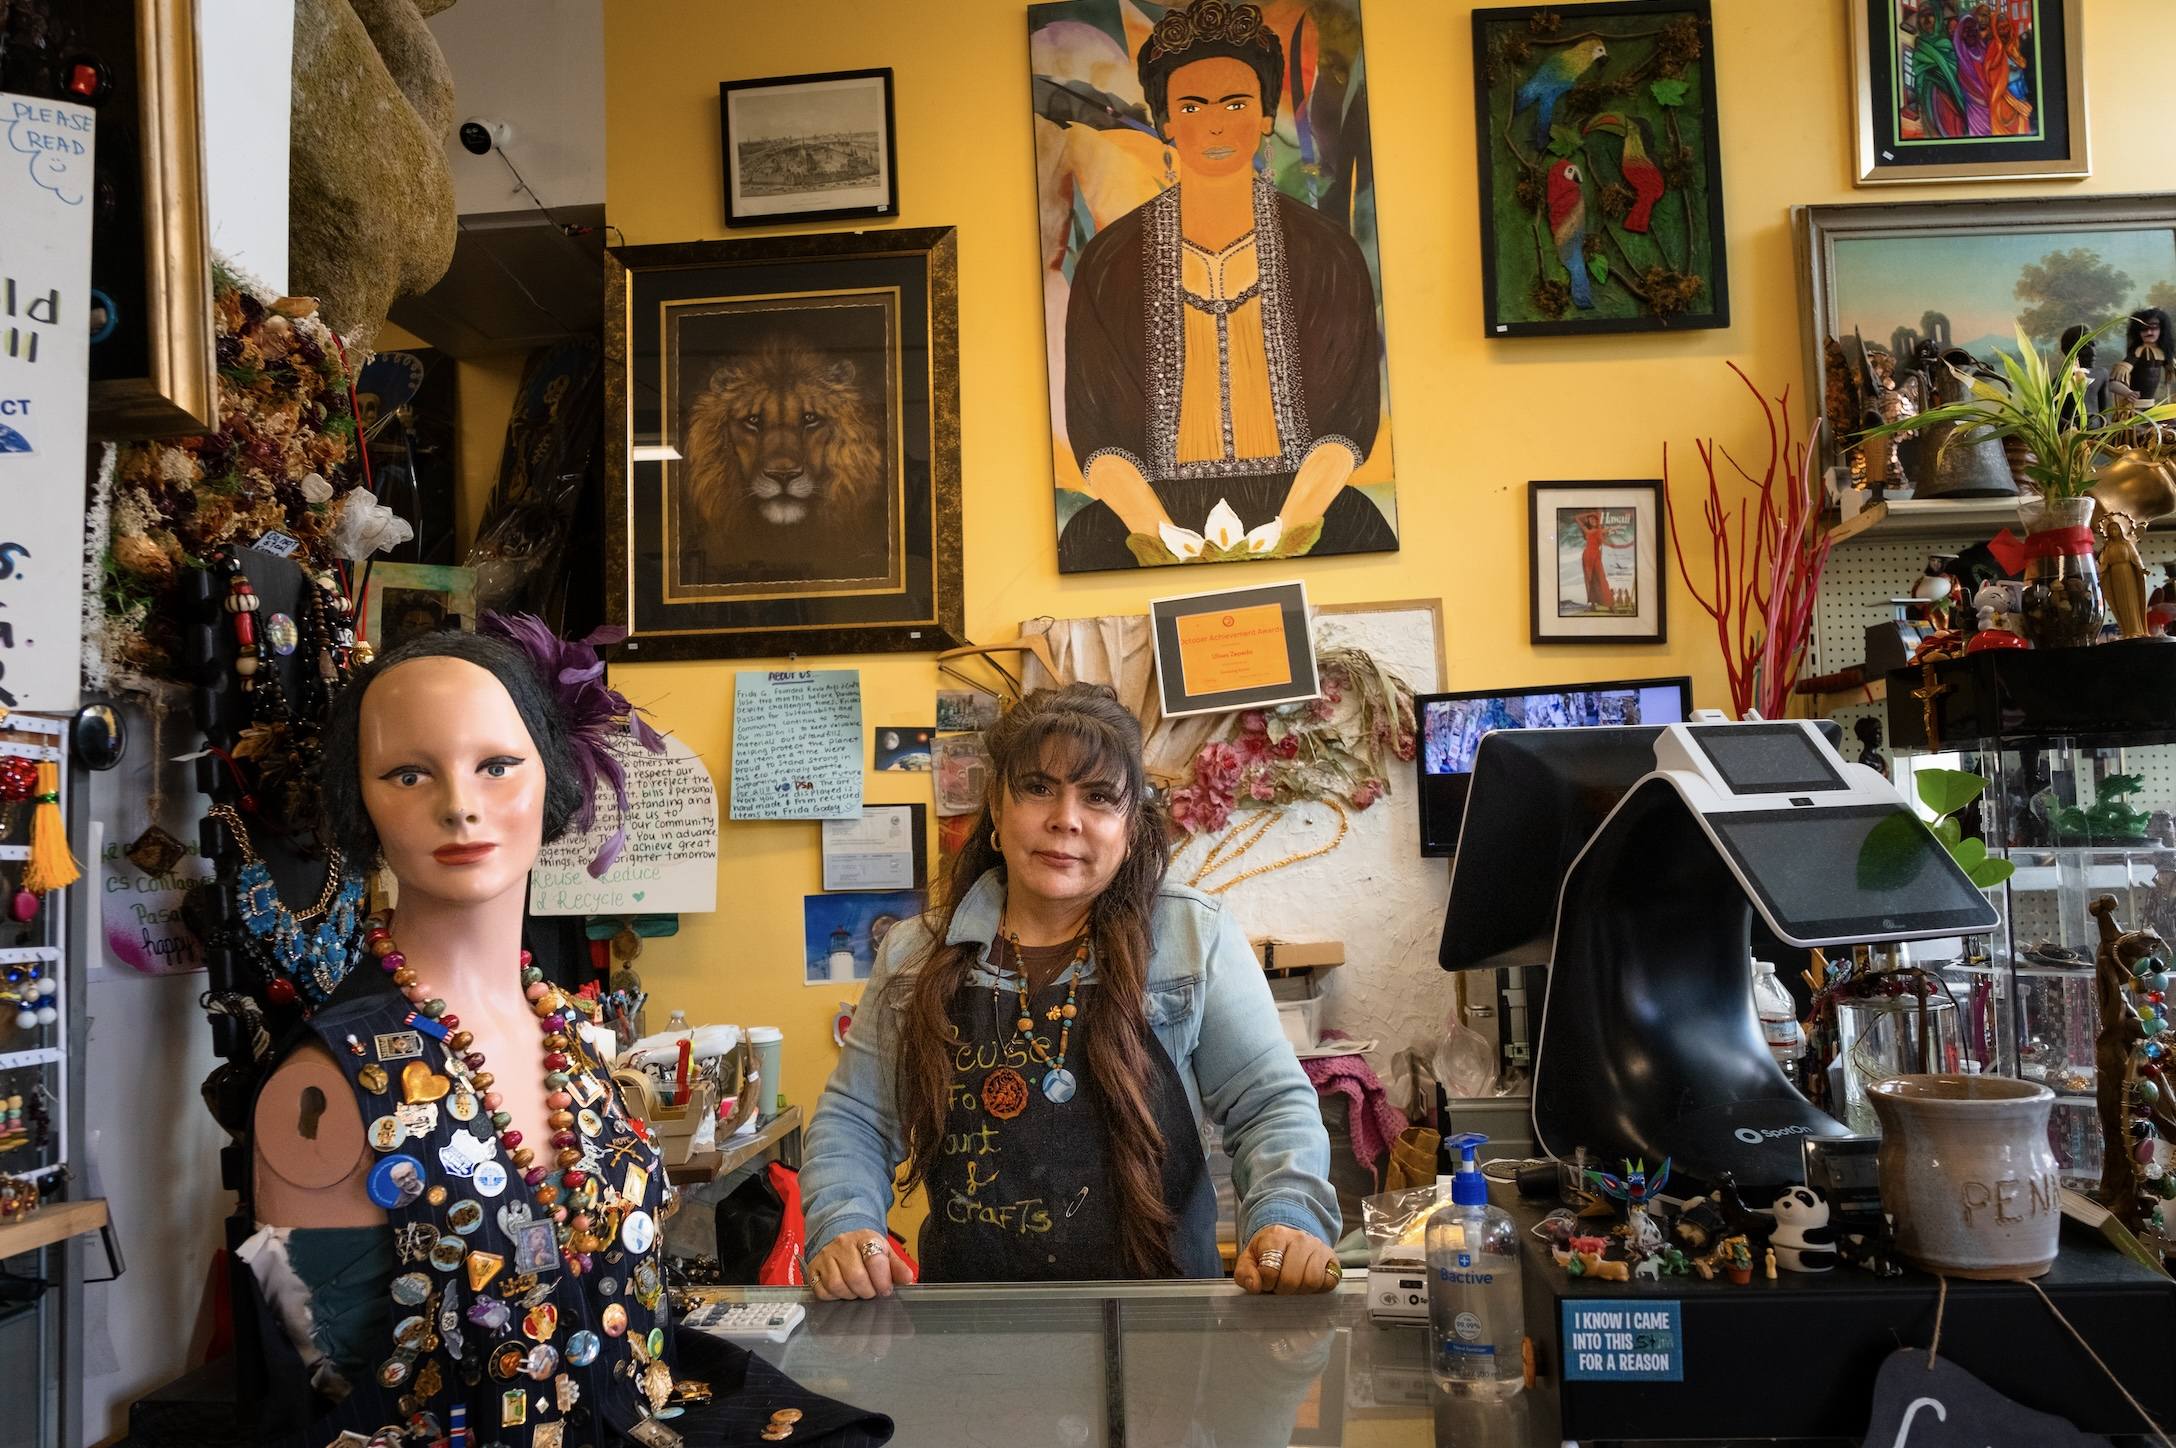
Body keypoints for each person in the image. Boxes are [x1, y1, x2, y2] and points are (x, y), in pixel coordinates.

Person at [800, 683, 1341, 1295]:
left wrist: (1285, 1217)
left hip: (1165, 1328)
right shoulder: (913, 953)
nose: (1066, 818)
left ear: (1130, 827)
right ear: (997, 813)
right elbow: (856, 1120)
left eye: (1099, 797)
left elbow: (1270, 1107)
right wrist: (845, 1224)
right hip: (966, 1331)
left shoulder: (1193, 936)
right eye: (1038, 788)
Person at [1057, 0, 1396, 570]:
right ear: (1165, 120)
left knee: (1363, 532)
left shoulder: (1327, 253)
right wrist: (1159, 532)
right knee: (1089, 545)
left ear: (1265, 115)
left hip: (1306, 501)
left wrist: (1288, 527)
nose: (1214, 123)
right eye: (1192, 105)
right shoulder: (1110, 261)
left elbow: (1347, 422)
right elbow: (1096, 432)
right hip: (1148, 510)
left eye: (1235, 103)